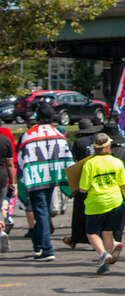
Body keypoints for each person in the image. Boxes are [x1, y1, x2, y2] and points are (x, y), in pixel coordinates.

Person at [16, 103, 74, 261]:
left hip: (35, 177)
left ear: (37, 115)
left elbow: (20, 157)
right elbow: (67, 157)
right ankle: (37, 245)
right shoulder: (57, 134)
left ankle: (47, 249)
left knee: (41, 212)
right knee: (43, 212)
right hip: (52, 177)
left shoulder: (29, 134)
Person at [79, 133, 125, 275]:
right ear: (108, 146)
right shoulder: (117, 162)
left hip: (96, 202)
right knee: (107, 231)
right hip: (115, 201)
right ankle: (106, 262)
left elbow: (83, 188)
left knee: (91, 233)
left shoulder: (89, 164)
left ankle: (103, 254)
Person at [64, 119, 104, 249]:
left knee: (79, 211)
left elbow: (74, 159)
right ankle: (96, 239)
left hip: (83, 178)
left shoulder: (79, 142)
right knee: (96, 211)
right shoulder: (98, 140)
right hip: (98, 177)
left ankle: (75, 238)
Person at [1, 127, 16, 232]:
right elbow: (10, 164)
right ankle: (1, 234)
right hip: (1, 178)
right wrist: (12, 182)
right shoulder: (6, 141)